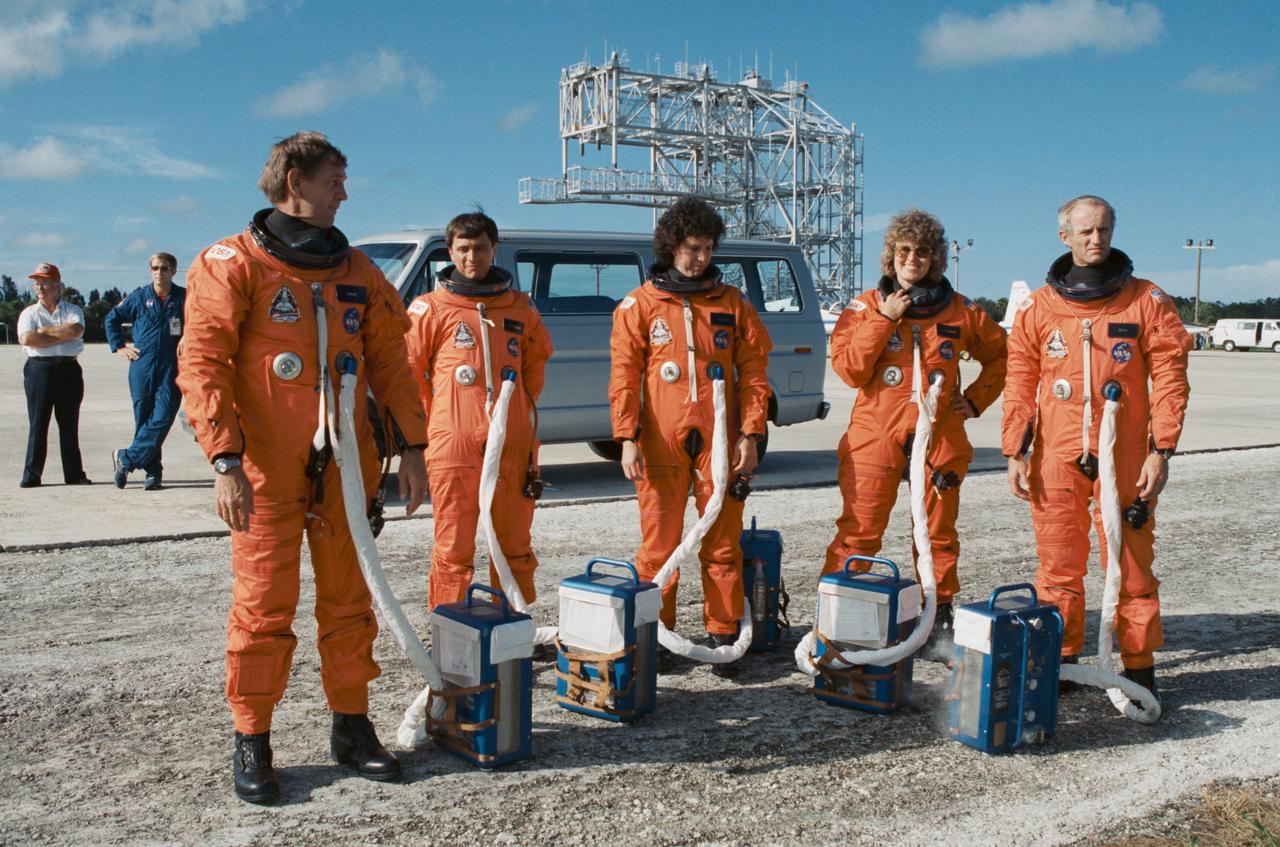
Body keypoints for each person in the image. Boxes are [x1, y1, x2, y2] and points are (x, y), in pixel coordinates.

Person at [176, 132, 428, 804]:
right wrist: (224, 458)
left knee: (350, 601)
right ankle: (252, 736)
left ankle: (351, 727)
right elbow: (203, 365)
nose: (344, 191)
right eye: (335, 179)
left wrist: (412, 446)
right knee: (263, 605)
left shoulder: (358, 273)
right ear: (296, 180)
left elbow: (392, 364)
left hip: (346, 464)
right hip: (264, 466)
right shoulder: (234, 264)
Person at [1003, 195, 1191, 708]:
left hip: (1125, 454)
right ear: (1064, 236)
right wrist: (1015, 450)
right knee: (1058, 569)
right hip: (1056, 456)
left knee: (1131, 565)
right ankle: (1061, 663)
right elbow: (1018, 381)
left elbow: (1171, 378)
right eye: (1086, 231)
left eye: (1104, 229)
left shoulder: (1146, 300)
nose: (1096, 239)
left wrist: (1162, 450)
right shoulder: (1039, 308)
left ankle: (1138, 667)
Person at [823, 210, 1007, 655]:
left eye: (922, 252)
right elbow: (848, 370)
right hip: (876, 432)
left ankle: (936, 619)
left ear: (935, 258)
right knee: (859, 531)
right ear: (891, 256)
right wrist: (884, 320)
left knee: (938, 534)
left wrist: (977, 399)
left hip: (939, 434)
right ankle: (844, 620)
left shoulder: (962, 312)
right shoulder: (865, 308)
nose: (912, 259)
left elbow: (1004, 355)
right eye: (904, 251)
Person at [609, 197, 772, 678]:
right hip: (660, 436)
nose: (698, 257)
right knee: (659, 545)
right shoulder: (639, 305)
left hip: (720, 438)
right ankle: (656, 635)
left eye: (705, 248)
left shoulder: (732, 303)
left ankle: (723, 633)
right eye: (690, 248)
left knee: (722, 541)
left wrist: (752, 433)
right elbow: (623, 375)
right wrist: (627, 436)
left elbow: (755, 372)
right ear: (670, 246)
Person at [404, 211, 553, 609]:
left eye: (481, 248)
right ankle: (453, 631)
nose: (473, 257)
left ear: (494, 249)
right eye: (464, 249)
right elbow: (409, 371)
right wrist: (437, 418)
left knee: (515, 542)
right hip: (453, 442)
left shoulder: (519, 307)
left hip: (513, 440)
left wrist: (516, 409)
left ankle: (513, 625)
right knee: (453, 546)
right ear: (450, 252)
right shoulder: (429, 309)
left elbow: (536, 363)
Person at [106, 252, 187, 490]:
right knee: (143, 420)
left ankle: (126, 458)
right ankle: (153, 473)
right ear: (149, 270)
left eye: (164, 268)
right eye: (155, 268)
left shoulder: (184, 298)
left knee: (162, 418)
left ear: (173, 271)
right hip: (143, 366)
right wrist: (119, 347)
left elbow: (199, 323)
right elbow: (112, 318)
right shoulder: (140, 297)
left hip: (172, 367)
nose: (159, 273)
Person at [17, 262, 91, 488]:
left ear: (58, 286)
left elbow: (75, 330)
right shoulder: (29, 313)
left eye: (45, 283)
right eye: (37, 283)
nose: (40, 287)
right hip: (39, 370)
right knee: (38, 425)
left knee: (69, 425)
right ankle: (32, 475)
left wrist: (44, 332)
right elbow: (28, 339)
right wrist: (62, 336)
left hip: (68, 370)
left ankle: (74, 474)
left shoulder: (72, 310)